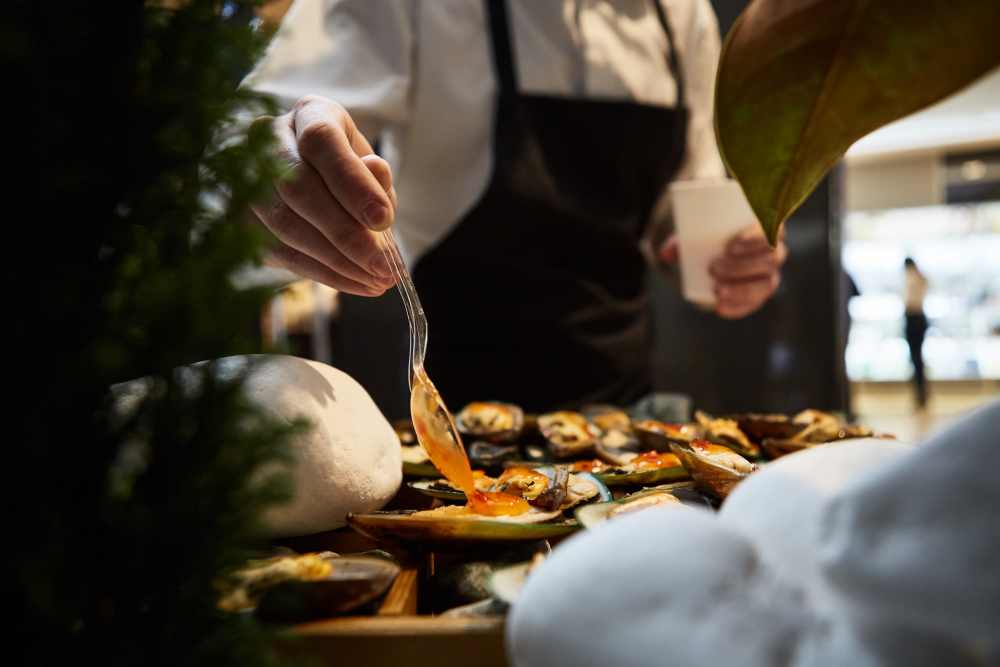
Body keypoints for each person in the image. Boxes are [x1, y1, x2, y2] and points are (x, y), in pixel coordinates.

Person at [242, 0, 787, 411]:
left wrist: (723, 261)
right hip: (458, 421)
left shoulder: (680, 13)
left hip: (626, 420)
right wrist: (266, 171)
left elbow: (681, 207)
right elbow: (244, 142)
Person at [903, 257, 929, 409]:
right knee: (917, 357)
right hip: (918, 318)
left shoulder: (911, 277)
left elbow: (909, 301)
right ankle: (921, 394)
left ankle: (920, 395)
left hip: (914, 318)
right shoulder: (921, 278)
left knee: (916, 357)